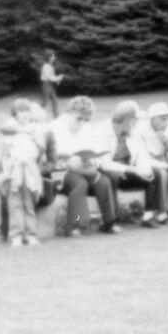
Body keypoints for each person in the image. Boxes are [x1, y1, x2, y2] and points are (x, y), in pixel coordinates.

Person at [49, 97, 120, 235]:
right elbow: (52, 156)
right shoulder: (55, 128)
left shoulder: (87, 128)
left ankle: (109, 222)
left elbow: (96, 151)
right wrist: (69, 159)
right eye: (79, 118)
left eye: (86, 120)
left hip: (83, 169)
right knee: (80, 184)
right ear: (70, 112)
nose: (82, 123)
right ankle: (76, 224)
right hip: (61, 172)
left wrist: (93, 161)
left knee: (104, 182)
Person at [0, 100, 47, 246]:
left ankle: (31, 235)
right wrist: (7, 172)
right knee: (15, 205)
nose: (24, 115)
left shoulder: (36, 130)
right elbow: (5, 155)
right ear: (15, 114)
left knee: (29, 204)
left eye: (27, 111)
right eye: (20, 112)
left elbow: (41, 152)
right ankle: (17, 235)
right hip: (14, 172)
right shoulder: (10, 132)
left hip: (30, 171)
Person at [39, 52, 63, 118]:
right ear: (48, 57)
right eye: (52, 56)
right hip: (46, 85)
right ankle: (35, 114)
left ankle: (56, 117)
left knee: (55, 101)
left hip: (50, 85)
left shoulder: (50, 66)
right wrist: (57, 78)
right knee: (44, 103)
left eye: (54, 56)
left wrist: (58, 79)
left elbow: (52, 76)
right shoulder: (46, 66)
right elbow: (48, 77)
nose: (54, 57)